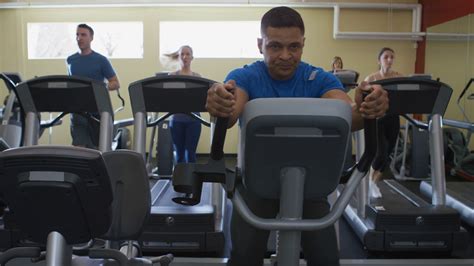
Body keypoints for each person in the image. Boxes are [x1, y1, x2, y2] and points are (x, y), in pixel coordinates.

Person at [206, 6, 388, 266]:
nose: (285, 55)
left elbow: (347, 113)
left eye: (294, 47)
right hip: (257, 183)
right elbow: (232, 110)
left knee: (326, 259)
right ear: (260, 44)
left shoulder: (318, 78)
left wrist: (367, 107)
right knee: (243, 257)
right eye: (275, 46)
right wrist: (221, 103)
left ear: (303, 44)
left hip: (309, 185)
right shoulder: (245, 76)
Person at [66, 23, 120, 149]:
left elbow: (116, 83)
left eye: (83, 35)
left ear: (91, 38)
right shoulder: (70, 60)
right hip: (78, 111)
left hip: (97, 111)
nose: (79, 38)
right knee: (79, 148)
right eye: (77, 35)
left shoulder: (101, 60)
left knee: (98, 149)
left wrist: (99, 89)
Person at [364, 47, 403, 198]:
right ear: (379, 60)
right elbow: (364, 99)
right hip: (377, 119)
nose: (389, 60)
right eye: (386, 57)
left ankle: (373, 181)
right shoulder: (371, 78)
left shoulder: (399, 77)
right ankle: (370, 182)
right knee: (380, 152)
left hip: (393, 118)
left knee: (387, 154)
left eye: (392, 57)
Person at [165, 45, 202, 163]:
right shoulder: (172, 77)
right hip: (176, 121)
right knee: (179, 155)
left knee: (190, 155)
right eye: (182, 54)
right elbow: (167, 99)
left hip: (194, 121)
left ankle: (192, 181)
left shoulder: (197, 77)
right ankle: (179, 181)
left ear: (192, 58)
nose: (185, 57)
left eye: (188, 54)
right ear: (178, 57)